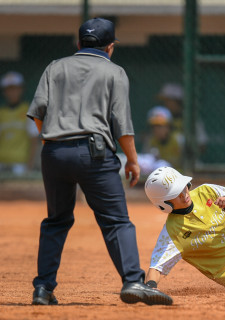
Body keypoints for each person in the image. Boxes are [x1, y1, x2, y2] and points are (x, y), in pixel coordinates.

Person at [26, 17, 172, 306]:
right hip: (94, 153)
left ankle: (43, 289)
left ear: (78, 43)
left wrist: (54, 144)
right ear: (111, 47)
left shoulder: (55, 67)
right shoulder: (114, 71)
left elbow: (38, 113)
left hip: (54, 152)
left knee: (56, 221)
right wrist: (132, 161)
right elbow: (122, 125)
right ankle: (132, 281)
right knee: (117, 222)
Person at [157, 83, 208, 162]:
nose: (165, 104)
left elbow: (202, 145)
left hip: (186, 164)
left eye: (168, 101)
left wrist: (188, 149)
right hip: (164, 162)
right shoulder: (160, 119)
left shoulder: (191, 120)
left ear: (178, 101)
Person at [0, 71, 39, 176]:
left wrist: (29, 166)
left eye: (15, 88)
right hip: (2, 163)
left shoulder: (28, 110)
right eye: (8, 89)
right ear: (4, 92)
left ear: (21, 89)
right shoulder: (1, 113)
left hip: (20, 165)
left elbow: (34, 141)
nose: (12, 92)